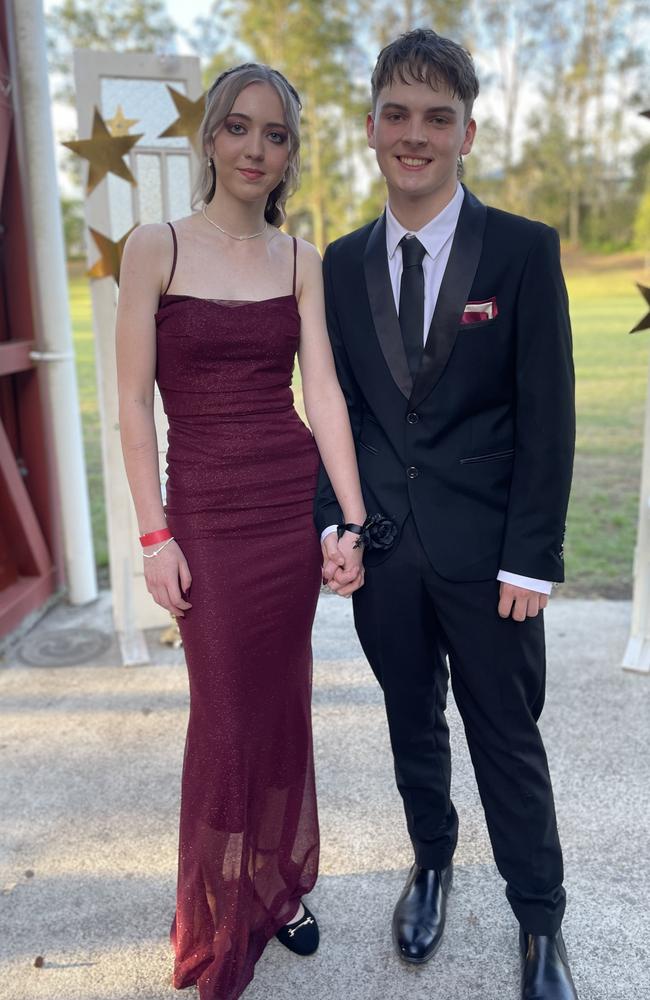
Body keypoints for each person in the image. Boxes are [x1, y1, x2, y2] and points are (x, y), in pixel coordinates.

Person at [316, 29, 578, 1000]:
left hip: (489, 560)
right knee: (408, 722)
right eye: (396, 114)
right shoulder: (337, 267)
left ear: (467, 132)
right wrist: (330, 525)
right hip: (383, 554)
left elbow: (547, 415)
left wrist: (530, 558)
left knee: (505, 737)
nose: (413, 135)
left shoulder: (519, 250)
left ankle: (539, 919)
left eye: (436, 118)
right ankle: (429, 862)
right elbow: (332, 411)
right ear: (372, 126)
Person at [116, 63, 365, 1000]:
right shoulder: (156, 248)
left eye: (278, 136)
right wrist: (154, 536)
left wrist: (350, 516)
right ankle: (217, 908)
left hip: (285, 508)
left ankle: (270, 881)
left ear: (290, 153)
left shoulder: (302, 260)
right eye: (241, 129)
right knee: (223, 721)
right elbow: (133, 411)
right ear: (211, 136)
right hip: (208, 521)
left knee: (278, 704)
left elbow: (326, 395)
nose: (258, 150)